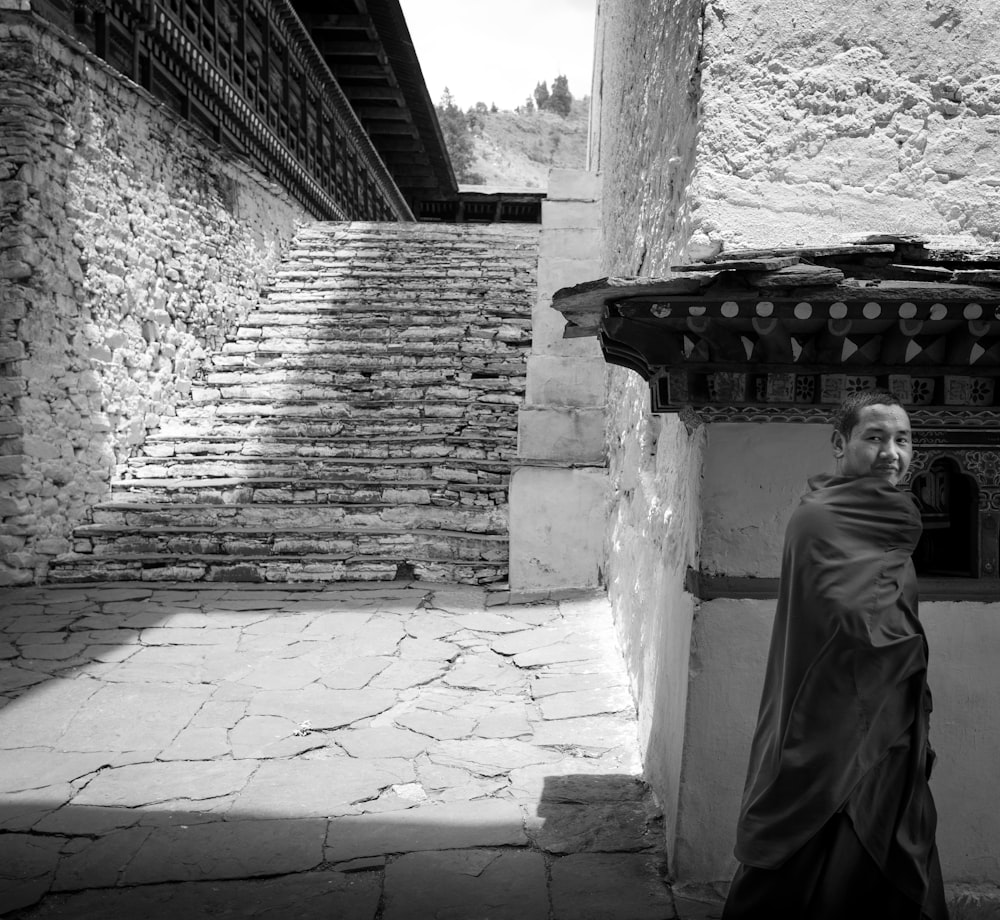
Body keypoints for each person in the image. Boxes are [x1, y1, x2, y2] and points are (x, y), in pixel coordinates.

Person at [722, 389, 948, 919]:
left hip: (888, 714)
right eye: (874, 438)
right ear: (839, 444)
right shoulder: (819, 518)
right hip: (830, 716)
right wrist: (900, 647)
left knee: (885, 840)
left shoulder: (888, 516)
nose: (891, 452)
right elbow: (843, 619)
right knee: (812, 832)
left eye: (903, 439)